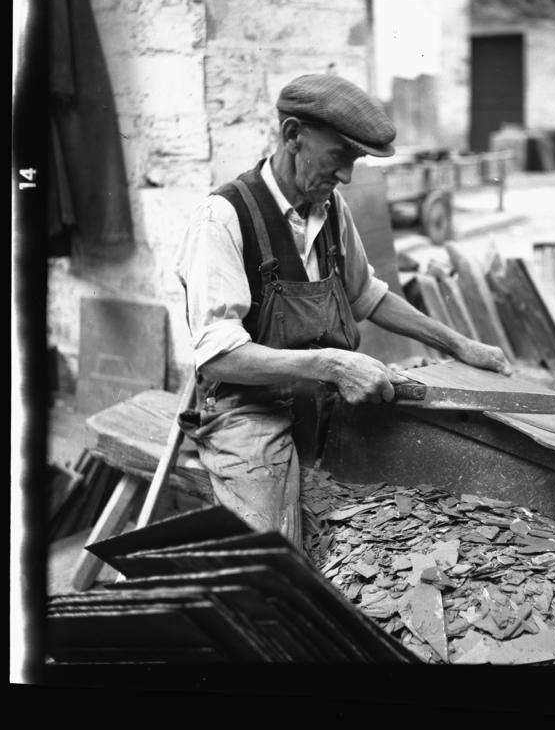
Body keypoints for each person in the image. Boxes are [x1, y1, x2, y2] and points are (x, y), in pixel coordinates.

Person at [175, 73, 511, 545]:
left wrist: (461, 344)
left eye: (354, 161)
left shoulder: (331, 209)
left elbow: (366, 297)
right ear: (293, 135)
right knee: (275, 551)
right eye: (339, 157)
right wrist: (332, 363)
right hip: (250, 410)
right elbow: (218, 355)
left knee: (427, 493)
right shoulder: (223, 217)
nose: (348, 176)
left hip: (325, 399)